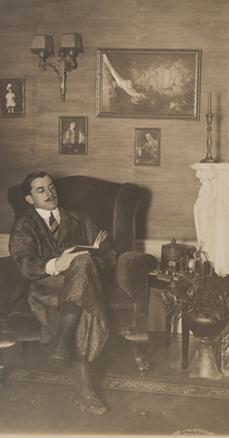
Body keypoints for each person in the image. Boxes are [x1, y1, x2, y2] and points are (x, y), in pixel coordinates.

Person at [9, 171, 147, 415]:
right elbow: (25, 263)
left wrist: (89, 262)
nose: (49, 193)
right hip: (48, 288)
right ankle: (79, 376)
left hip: (85, 283)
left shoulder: (81, 219)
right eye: (41, 190)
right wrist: (57, 264)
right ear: (29, 199)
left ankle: (68, 357)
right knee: (86, 294)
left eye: (51, 187)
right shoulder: (24, 226)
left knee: (83, 266)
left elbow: (109, 254)